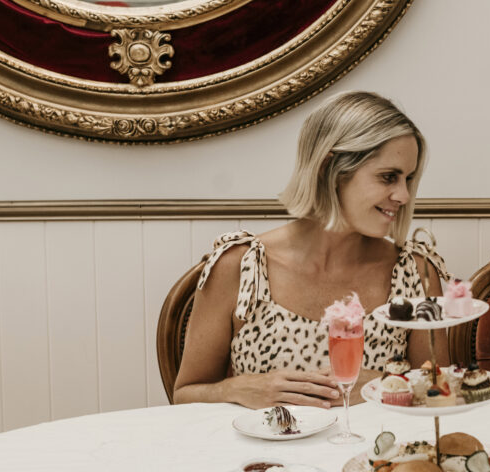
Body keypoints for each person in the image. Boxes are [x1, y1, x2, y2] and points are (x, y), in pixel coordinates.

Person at [174, 91, 447, 409]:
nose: (403, 195)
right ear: (329, 168)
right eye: (388, 177)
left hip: (374, 457)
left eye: (409, 179)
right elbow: (185, 394)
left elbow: (440, 395)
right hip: (263, 458)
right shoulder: (241, 266)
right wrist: (239, 389)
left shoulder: (414, 271)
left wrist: (383, 386)